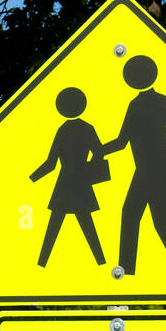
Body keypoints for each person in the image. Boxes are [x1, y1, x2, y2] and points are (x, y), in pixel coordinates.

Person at [102, 54, 166, 277]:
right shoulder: (154, 102)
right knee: (159, 221)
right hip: (155, 172)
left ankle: (127, 271)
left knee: (135, 216)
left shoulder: (139, 105)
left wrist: (97, 151)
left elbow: (122, 142)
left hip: (149, 172)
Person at [29, 86, 111, 267]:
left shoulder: (63, 130)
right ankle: (101, 263)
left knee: (56, 225)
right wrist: (88, 170)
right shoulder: (87, 128)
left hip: (65, 183)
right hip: (81, 183)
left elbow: (51, 163)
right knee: (85, 224)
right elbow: (99, 152)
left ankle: (42, 264)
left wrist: (32, 179)